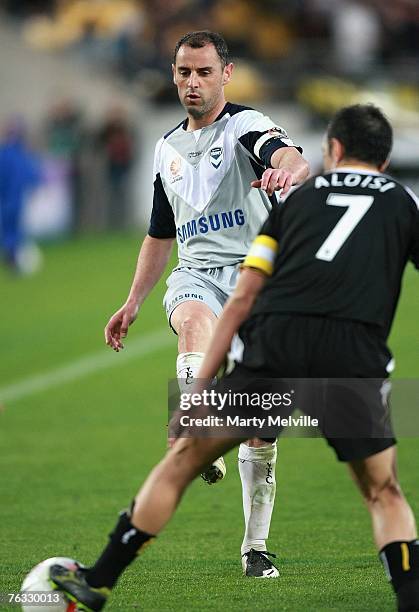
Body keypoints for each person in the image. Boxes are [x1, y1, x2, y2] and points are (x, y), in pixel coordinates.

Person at [51, 103, 419, 611]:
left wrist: (199, 389)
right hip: (354, 356)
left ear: (333, 149)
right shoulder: (402, 203)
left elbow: (244, 297)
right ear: (386, 156)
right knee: (384, 493)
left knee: (180, 462)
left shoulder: (299, 202)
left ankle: (99, 578)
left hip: (277, 348)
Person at [103, 29, 309, 576]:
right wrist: (132, 302)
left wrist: (287, 170)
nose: (192, 82)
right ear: (173, 75)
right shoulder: (165, 147)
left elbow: (288, 155)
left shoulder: (246, 127)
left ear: (226, 73)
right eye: (183, 72)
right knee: (192, 321)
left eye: (203, 72)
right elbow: (159, 232)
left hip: (258, 283)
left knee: (263, 432)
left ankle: (254, 546)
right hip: (196, 275)